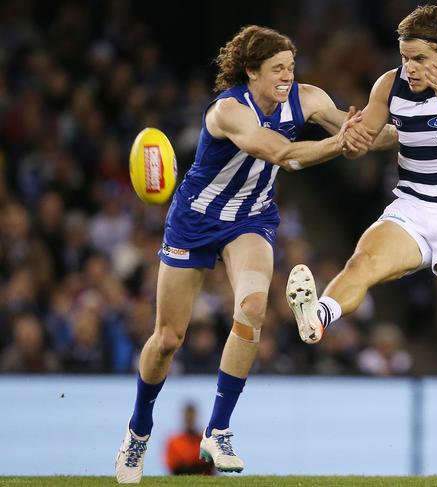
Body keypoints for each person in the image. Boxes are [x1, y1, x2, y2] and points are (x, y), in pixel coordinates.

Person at [115, 25, 391, 484]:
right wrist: (338, 144)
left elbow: (356, 129)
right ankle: (138, 431)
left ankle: (218, 431)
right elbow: (283, 153)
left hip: (251, 220)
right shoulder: (228, 111)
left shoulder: (308, 97)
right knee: (167, 339)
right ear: (251, 72)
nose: (287, 75)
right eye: (277, 69)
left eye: (291, 66)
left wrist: (409, 134)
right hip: (195, 220)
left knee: (254, 307)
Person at [286, 5, 437, 486]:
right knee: (364, 262)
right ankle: (317, 319)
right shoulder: (390, 84)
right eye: (405, 58)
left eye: (420, 59)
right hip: (412, 207)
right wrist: (354, 139)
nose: (411, 69)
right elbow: (374, 134)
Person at [164, 403, 215, 476]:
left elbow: (213, 463)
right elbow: (174, 467)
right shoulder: (174, 442)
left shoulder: (206, 440)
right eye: (188, 416)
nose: (190, 419)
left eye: (192, 416)